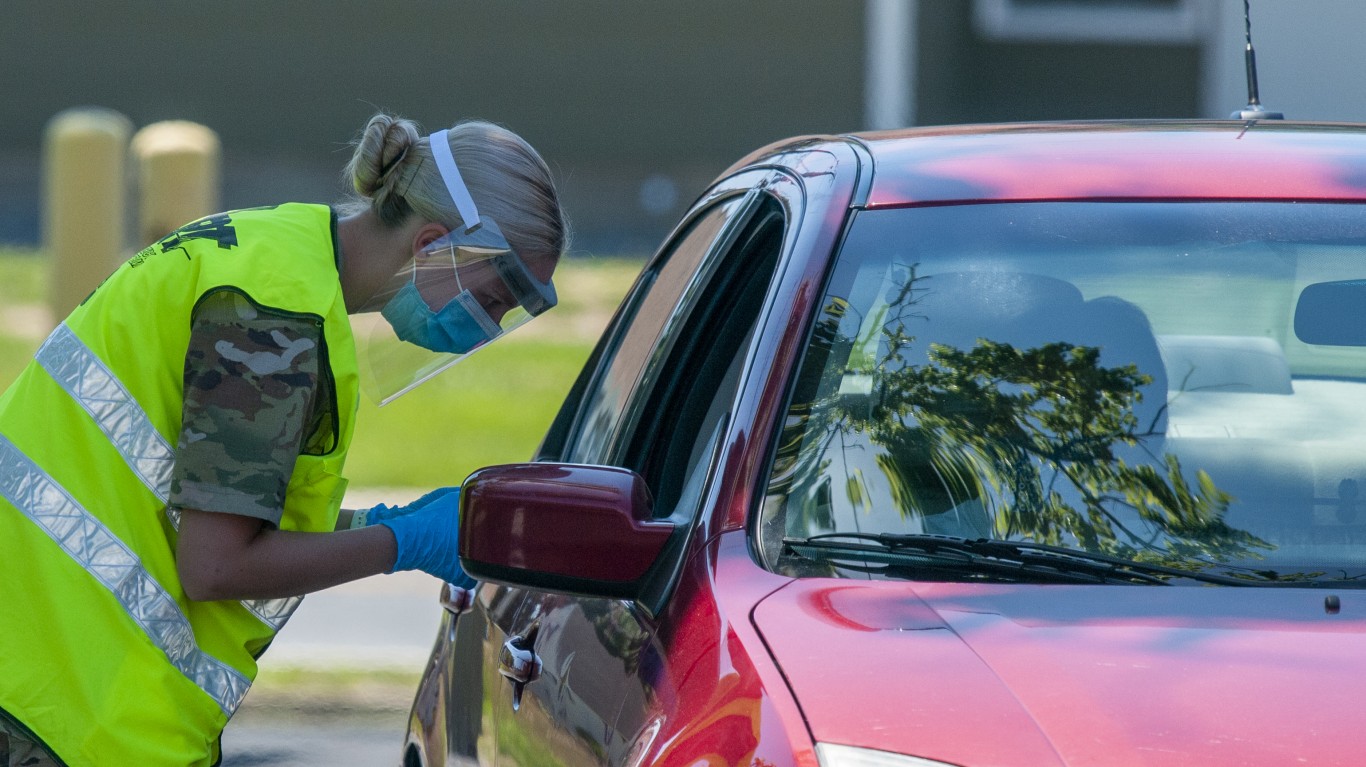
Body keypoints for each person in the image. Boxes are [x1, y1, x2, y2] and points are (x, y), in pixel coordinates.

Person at [0, 112, 567, 766]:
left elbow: (206, 501)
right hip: (59, 709)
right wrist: (401, 542)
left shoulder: (276, 251)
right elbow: (215, 564)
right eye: (494, 301)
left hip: (40, 668)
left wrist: (369, 522)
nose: (489, 327)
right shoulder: (274, 324)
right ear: (434, 244)